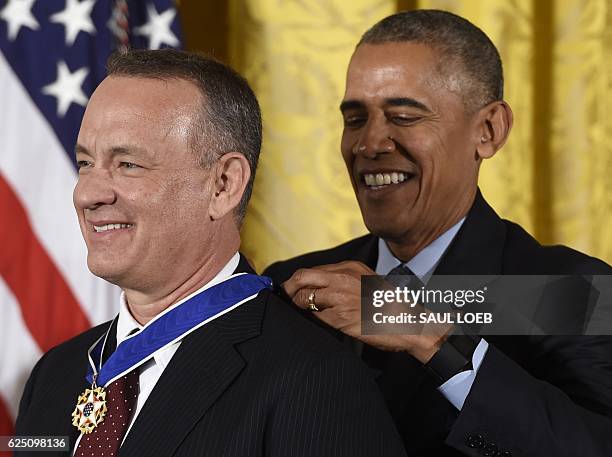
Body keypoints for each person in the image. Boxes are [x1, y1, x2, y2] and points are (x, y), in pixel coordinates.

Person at [15, 49, 407, 457]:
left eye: (128, 164)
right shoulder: (53, 375)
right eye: (85, 163)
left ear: (223, 185)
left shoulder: (314, 379)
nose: (89, 194)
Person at [264, 10, 612, 457]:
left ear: (488, 131)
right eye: (355, 119)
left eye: (404, 116)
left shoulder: (566, 290)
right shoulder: (295, 283)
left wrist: (431, 338)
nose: (369, 144)